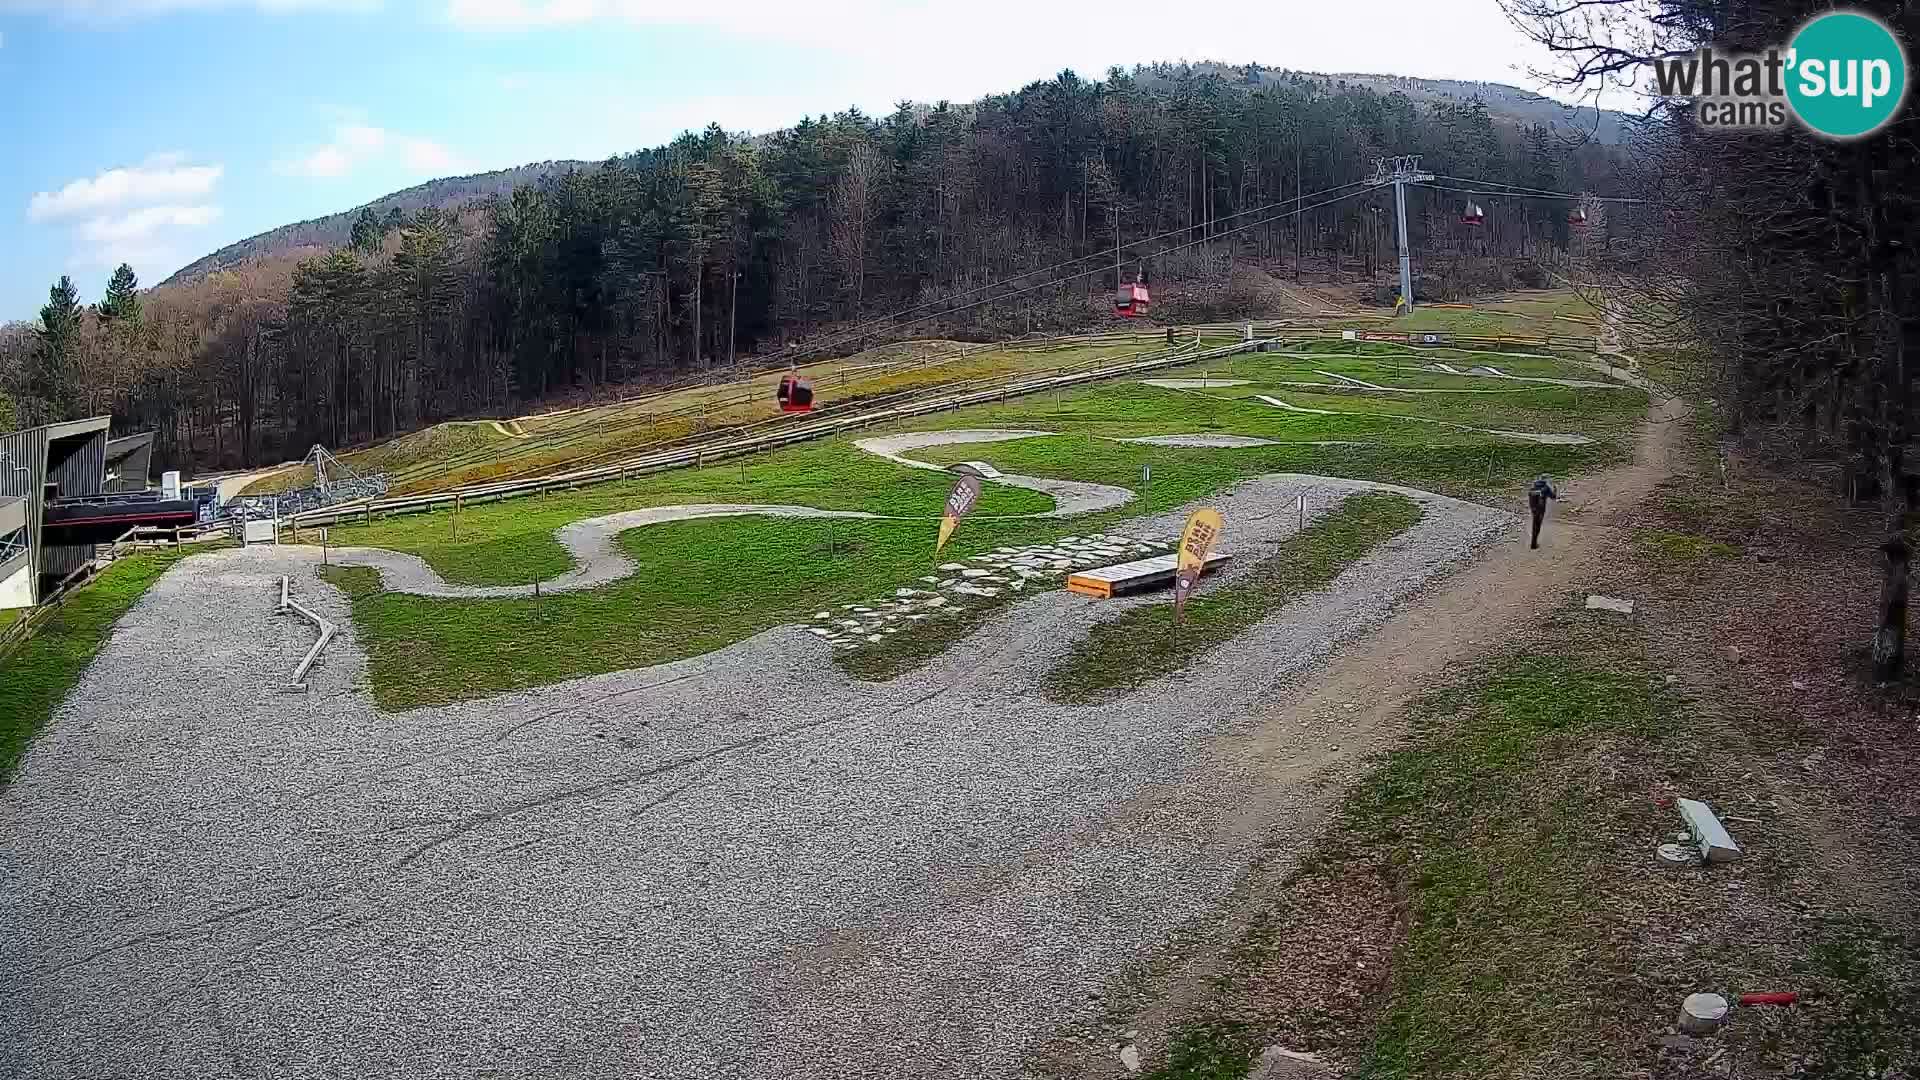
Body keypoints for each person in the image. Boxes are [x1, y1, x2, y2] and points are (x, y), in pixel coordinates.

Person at [1527, 475, 1558, 549]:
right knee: (1538, 526)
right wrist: (1555, 489)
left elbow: (1530, 498)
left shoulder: (1532, 488)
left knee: (1534, 524)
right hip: (1540, 509)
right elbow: (1553, 497)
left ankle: (1533, 543)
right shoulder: (1545, 488)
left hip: (1533, 509)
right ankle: (1534, 544)